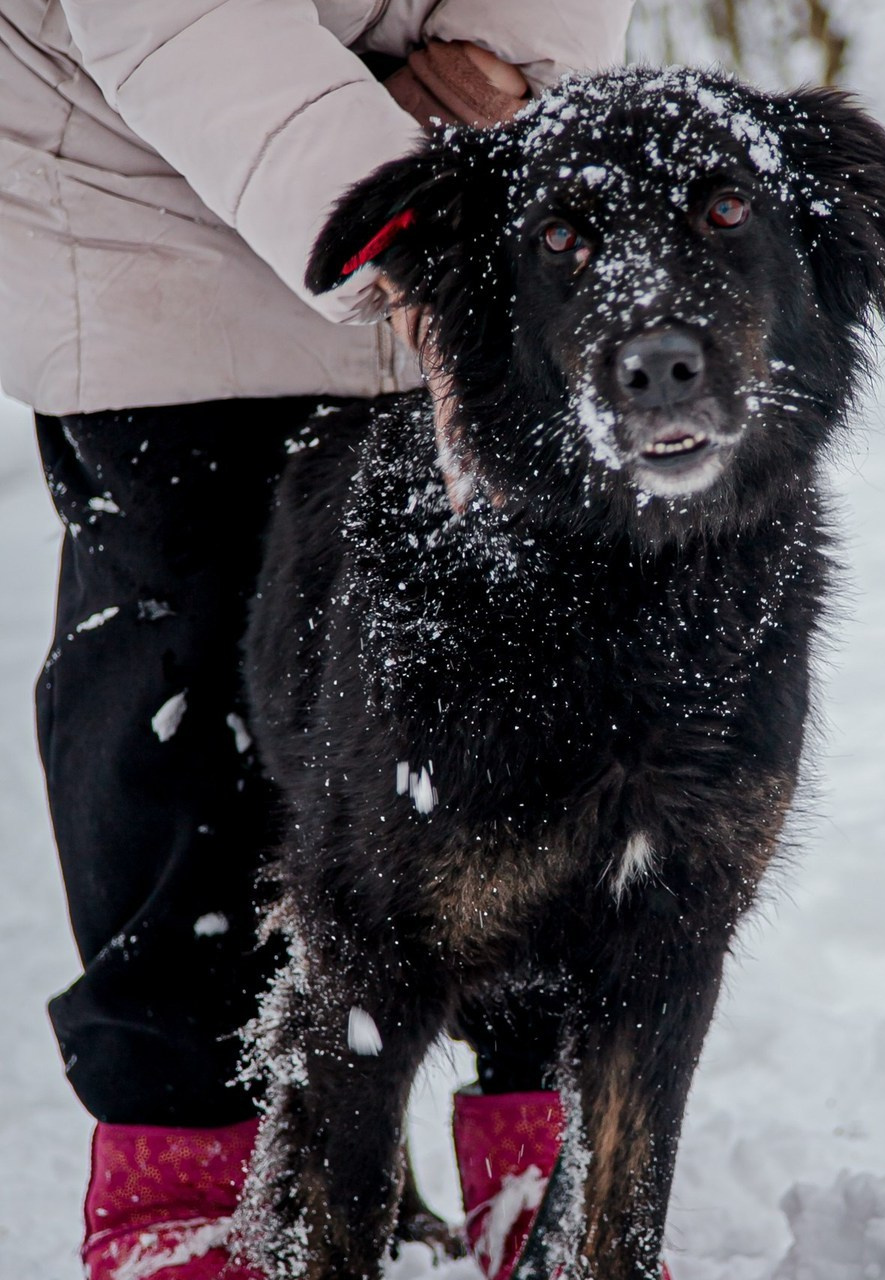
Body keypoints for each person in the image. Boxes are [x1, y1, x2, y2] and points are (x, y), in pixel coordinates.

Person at [0, 3, 632, 1277]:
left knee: (528, 707)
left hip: (460, 187)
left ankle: (543, 1172)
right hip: (135, 194)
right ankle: (188, 1181)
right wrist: (412, 206)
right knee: (181, 700)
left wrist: (509, 107)